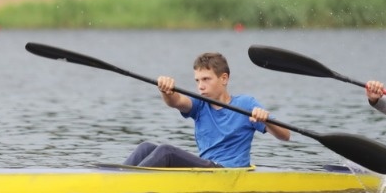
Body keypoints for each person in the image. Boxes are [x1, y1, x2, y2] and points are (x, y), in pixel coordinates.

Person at [124, 52, 290, 168]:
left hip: (226, 172)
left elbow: (285, 135)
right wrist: (166, 91)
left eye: (206, 79)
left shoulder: (245, 104)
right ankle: (111, 176)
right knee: (145, 147)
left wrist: (266, 120)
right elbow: (176, 101)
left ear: (223, 78)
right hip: (206, 168)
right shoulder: (200, 103)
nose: (200, 86)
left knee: (166, 151)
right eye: (197, 80)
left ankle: (124, 183)